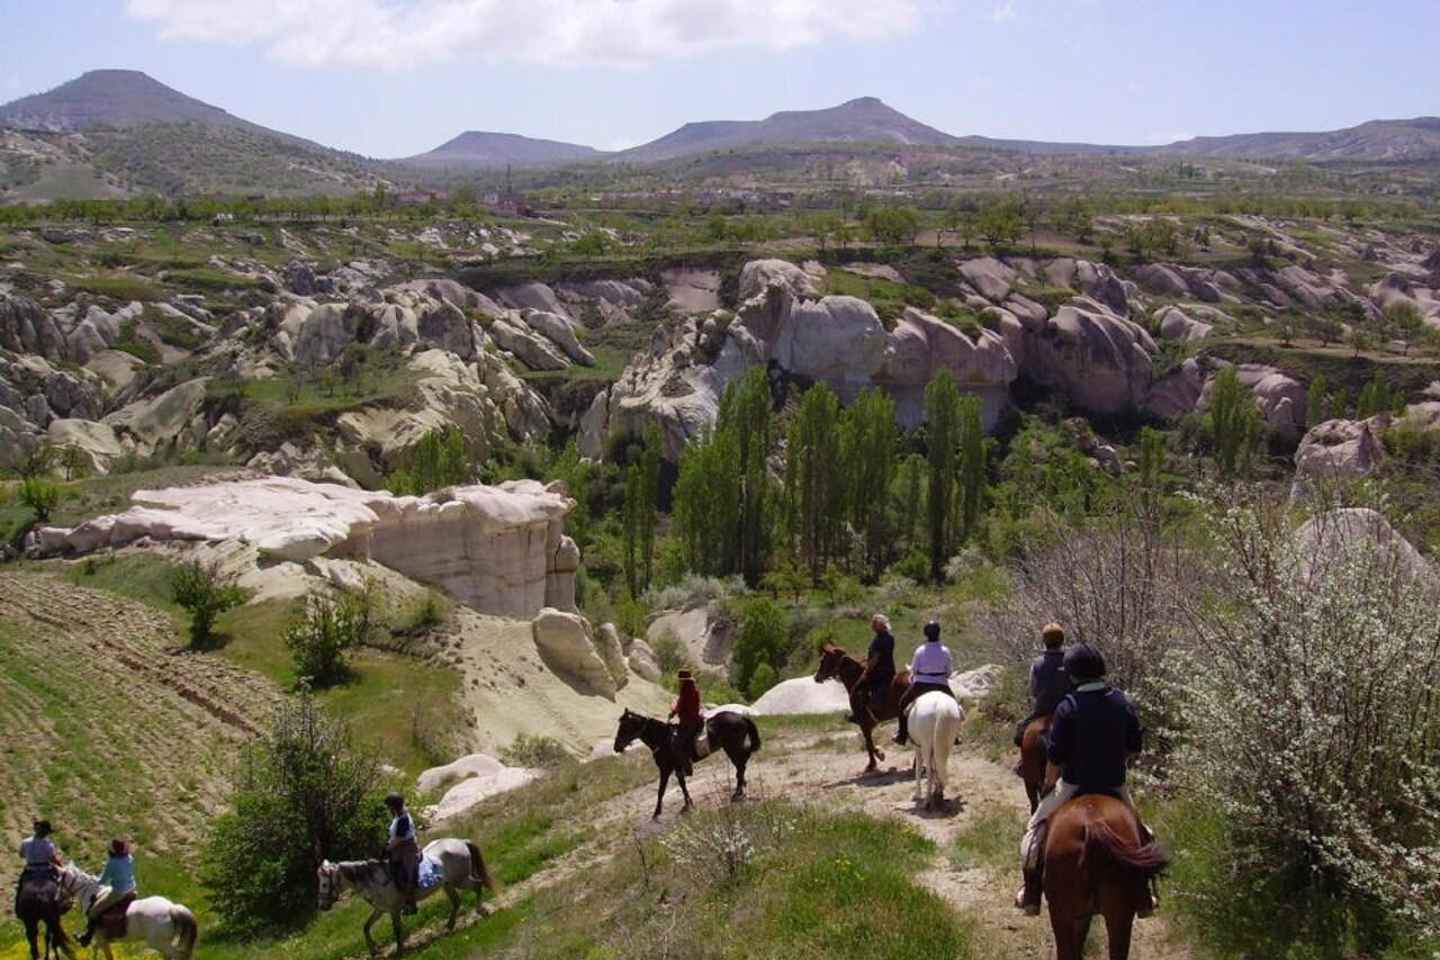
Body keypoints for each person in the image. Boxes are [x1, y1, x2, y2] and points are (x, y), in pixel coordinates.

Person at [1014, 643, 1156, 918]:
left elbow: (1055, 756)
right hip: (1114, 783)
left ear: (1073, 675)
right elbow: (1135, 745)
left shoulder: (1068, 707)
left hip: (1073, 785)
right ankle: (1144, 894)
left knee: (1034, 832)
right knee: (1144, 833)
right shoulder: (1121, 701)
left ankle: (1031, 894)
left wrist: (1048, 784)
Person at [892, 621, 958, 746]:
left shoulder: (920, 651)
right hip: (941, 685)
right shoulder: (945, 651)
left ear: (925, 634)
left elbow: (914, 670)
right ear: (938, 633)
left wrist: (910, 669)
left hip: (921, 685)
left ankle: (902, 734)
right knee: (955, 707)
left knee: (902, 703)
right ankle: (955, 735)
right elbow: (949, 672)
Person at [1013, 623, 1071, 747]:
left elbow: (1034, 691)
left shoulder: (1037, 663)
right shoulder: (1071, 661)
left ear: (1044, 641)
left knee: (1020, 734)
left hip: (1043, 711)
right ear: (1062, 640)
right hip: (1069, 710)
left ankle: (1023, 764)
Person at [78, 838, 137, 947]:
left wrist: (92, 878)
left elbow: (102, 881)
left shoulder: (112, 863)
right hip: (132, 889)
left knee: (93, 912)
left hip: (118, 892)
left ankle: (87, 936)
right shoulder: (129, 857)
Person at [851, 613, 896, 725]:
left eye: (874, 623)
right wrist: (866, 659)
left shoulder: (879, 639)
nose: (872, 626)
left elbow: (875, 658)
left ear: (880, 625)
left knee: (857, 688)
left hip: (878, 672)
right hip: (890, 669)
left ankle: (860, 716)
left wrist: (867, 669)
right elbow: (881, 654)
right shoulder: (890, 637)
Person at [15, 819, 63, 916]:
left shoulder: (25, 842)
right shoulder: (48, 844)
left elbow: (21, 855)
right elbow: (52, 858)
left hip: (30, 869)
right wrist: (61, 866)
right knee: (60, 883)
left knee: (20, 886)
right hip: (46, 869)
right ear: (46, 832)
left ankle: (18, 908)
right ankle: (62, 904)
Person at [385, 792, 420, 916]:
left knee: (406, 874)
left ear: (393, 806)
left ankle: (411, 904)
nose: (388, 809)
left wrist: (388, 848)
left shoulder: (403, 818)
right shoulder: (398, 816)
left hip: (407, 848)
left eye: (389, 807)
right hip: (398, 847)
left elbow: (400, 838)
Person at [669, 669, 703, 776]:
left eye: (680, 681)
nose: (679, 683)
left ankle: (688, 769)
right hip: (696, 720)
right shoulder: (694, 690)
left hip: (688, 722)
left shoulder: (685, 693)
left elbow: (679, 707)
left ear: (684, 681)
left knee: (677, 745)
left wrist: (673, 707)